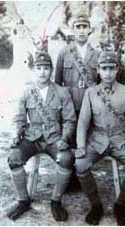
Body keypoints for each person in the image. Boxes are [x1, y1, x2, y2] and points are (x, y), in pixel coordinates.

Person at [74, 51, 125, 225]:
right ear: (98, 70)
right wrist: (81, 145)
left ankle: (120, 206)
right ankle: (96, 206)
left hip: (120, 139)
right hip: (97, 139)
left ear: (117, 70)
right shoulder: (91, 93)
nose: (107, 72)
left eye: (111, 68)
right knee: (80, 164)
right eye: (104, 68)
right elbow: (83, 122)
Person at [7, 51, 76, 222]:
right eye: (39, 68)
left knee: (67, 158)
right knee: (14, 157)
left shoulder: (62, 92)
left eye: (46, 68)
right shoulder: (27, 92)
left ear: (51, 70)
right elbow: (19, 118)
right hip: (32, 138)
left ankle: (56, 201)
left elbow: (69, 120)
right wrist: (16, 133)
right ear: (34, 70)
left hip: (54, 139)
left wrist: (65, 138)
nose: (42, 72)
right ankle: (23, 200)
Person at [54, 10, 100, 190]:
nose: (81, 30)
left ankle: (82, 175)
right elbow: (57, 82)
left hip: (88, 106)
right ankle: (70, 177)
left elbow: (99, 83)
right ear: (73, 30)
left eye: (84, 27)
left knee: (85, 140)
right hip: (69, 106)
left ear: (89, 30)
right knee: (69, 141)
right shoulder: (64, 52)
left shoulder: (96, 54)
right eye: (78, 27)